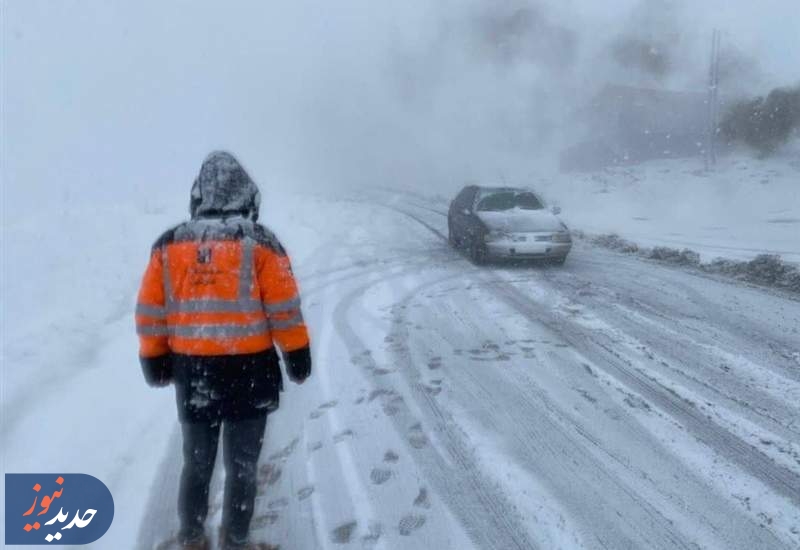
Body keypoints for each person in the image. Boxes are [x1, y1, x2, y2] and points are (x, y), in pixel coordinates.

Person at [135, 151, 311, 550]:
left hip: (195, 373)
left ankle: (193, 536)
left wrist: (154, 355)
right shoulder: (261, 243)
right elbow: (284, 308)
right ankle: (236, 539)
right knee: (243, 465)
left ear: (198, 196)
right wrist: (297, 351)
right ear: (248, 195)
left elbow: (150, 309)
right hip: (251, 371)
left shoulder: (170, 244)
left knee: (197, 463)